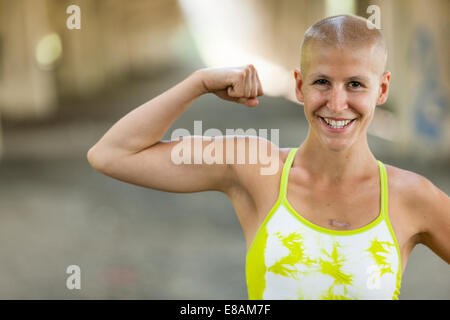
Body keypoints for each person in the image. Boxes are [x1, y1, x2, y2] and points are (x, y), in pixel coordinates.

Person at [87, 14, 450, 299]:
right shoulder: (256, 167)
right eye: (322, 82)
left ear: (382, 89)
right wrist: (197, 83)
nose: (337, 104)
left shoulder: (411, 196)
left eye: (355, 84)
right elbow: (112, 154)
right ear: (299, 85)